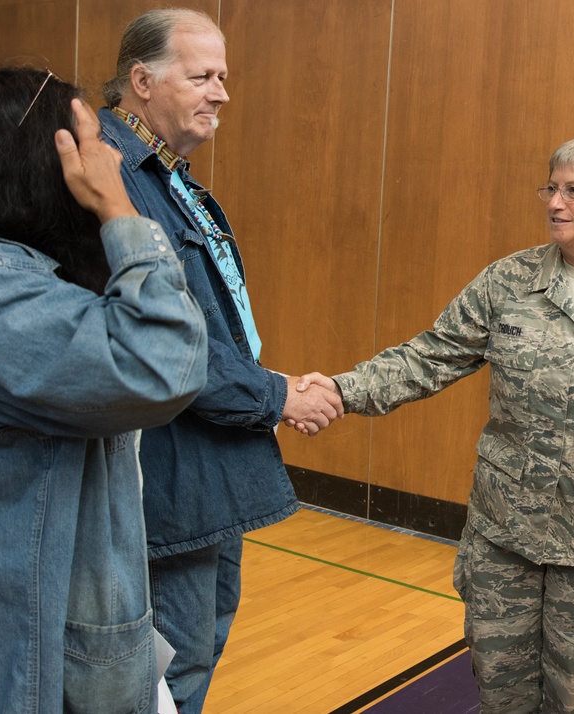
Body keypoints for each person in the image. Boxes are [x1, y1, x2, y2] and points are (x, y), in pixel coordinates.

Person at [297, 133, 574, 712]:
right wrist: (342, 390)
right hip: (506, 535)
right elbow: (431, 355)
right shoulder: (508, 282)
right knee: (501, 694)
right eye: (552, 187)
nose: (555, 202)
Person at [100, 9, 343, 711]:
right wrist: (276, 397)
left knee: (197, 646)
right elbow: (164, 342)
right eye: (203, 76)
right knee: (169, 666)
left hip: (210, 464)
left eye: (224, 77)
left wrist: (269, 386)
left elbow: (204, 320)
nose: (222, 93)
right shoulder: (118, 179)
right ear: (142, 81)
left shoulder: (166, 174)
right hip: (167, 470)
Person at [0, 68, 208, 713]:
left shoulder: (15, 271)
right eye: (92, 147)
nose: (110, 164)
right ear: (47, 164)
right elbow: (163, 364)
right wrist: (118, 213)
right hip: (28, 660)